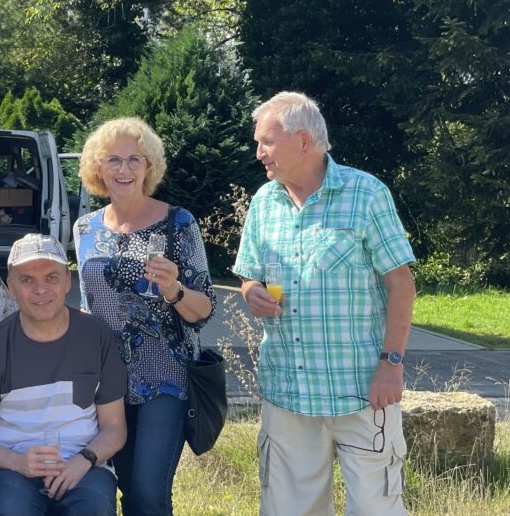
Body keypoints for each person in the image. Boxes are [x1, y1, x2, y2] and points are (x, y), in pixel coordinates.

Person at [233, 91, 415, 516]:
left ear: (302, 141)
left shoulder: (365, 194)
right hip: (288, 393)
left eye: (266, 141)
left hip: (362, 391)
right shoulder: (264, 203)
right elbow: (248, 272)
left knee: (377, 509)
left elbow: (401, 284)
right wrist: (251, 291)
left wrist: (391, 364)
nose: (259, 152)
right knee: (290, 510)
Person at [73, 117, 216, 516]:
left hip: (164, 375)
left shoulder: (178, 223)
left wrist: (174, 289)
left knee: (149, 494)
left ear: (148, 166)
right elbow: (89, 306)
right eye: (113, 160)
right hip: (106, 381)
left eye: (134, 159)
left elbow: (203, 309)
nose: (124, 169)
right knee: (123, 490)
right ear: (97, 168)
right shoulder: (84, 228)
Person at [0, 233, 127, 516]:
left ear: (67, 282)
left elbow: (115, 428)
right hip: (11, 469)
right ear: (11, 287)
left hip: (83, 465)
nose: (40, 290)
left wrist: (84, 460)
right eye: (27, 280)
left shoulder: (97, 337)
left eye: (51, 277)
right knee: (11, 509)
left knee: (94, 507)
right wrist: (16, 461)